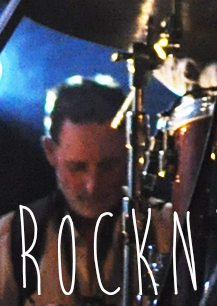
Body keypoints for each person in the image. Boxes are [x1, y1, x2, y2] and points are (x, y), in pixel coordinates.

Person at [0, 78, 145, 306]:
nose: (92, 186)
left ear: (131, 154)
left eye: (108, 166)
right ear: (50, 151)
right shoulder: (10, 239)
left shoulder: (167, 230)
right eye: (77, 167)